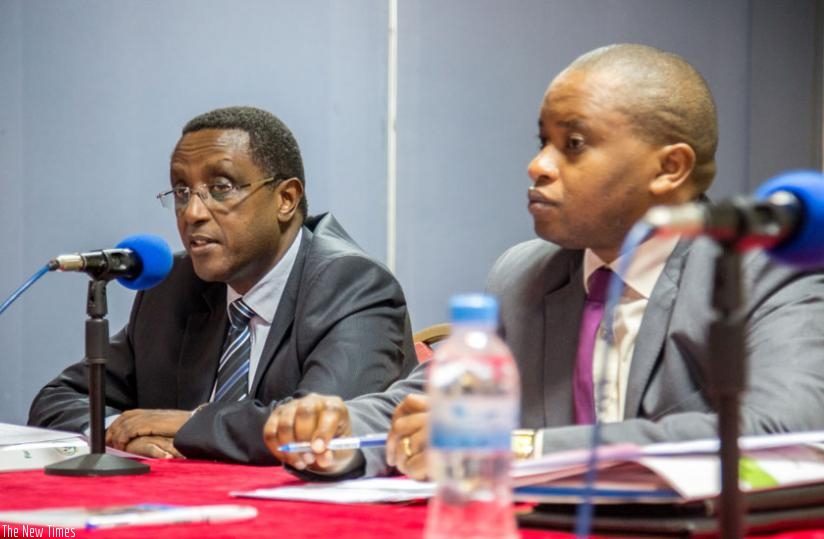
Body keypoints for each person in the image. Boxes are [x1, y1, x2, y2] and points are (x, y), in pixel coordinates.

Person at [262, 43, 824, 480]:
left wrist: (515, 448)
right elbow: (430, 404)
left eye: (573, 144)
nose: (538, 166)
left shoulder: (766, 272)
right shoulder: (524, 274)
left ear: (669, 167)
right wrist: (335, 435)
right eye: (542, 142)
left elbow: (781, 429)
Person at [28, 106, 418, 464]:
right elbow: (58, 399)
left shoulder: (352, 284)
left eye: (221, 188)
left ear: (286, 198)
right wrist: (119, 430)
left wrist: (191, 426)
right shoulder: (172, 287)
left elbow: (321, 431)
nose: (193, 213)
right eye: (181, 192)